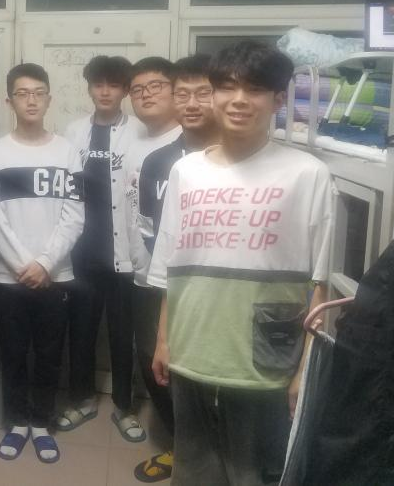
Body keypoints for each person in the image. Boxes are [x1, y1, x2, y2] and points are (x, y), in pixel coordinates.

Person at [148, 41, 334, 486]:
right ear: (213, 95)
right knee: (193, 470)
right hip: (192, 348)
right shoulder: (186, 172)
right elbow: (170, 266)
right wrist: (163, 340)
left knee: (254, 475)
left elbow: (321, 284)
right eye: (227, 87)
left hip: (266, 359)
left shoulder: (307, 174)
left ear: (278, 100)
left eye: (254, 89)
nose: (238, 100)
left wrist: (305, 372)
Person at [0, 63, 84, 464]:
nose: (32, 100)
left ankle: (41, 422)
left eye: (39, 92)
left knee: (49, 353)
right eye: (22, 93)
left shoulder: (67, 152)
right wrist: (25, 264)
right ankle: (17, 422)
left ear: (49, 99)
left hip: (55, 275)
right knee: (13, 352)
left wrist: (44, 263)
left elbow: (75, 214)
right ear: (9, 101)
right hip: (9, 277)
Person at [126, 54, 219, 483]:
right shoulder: (158, 161)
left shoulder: (234, 158)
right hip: (161, 283)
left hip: (218, 289)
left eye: (203, 93)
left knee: (210, 372)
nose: (192, 103)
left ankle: (215, 456)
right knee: (155, 361)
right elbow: (147, 226)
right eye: (183, 94)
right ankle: (183, 448)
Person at [61, 55, 145, 442]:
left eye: (114, 84)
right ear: (90, 88)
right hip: (82, 252)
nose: (105, 91)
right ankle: (83, 399)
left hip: (123, 253)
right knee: (81, 331)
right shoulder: (73, 132)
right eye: (99, 84)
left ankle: (125, 406)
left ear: (125, 90)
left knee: (123, 334)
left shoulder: (139, 132)